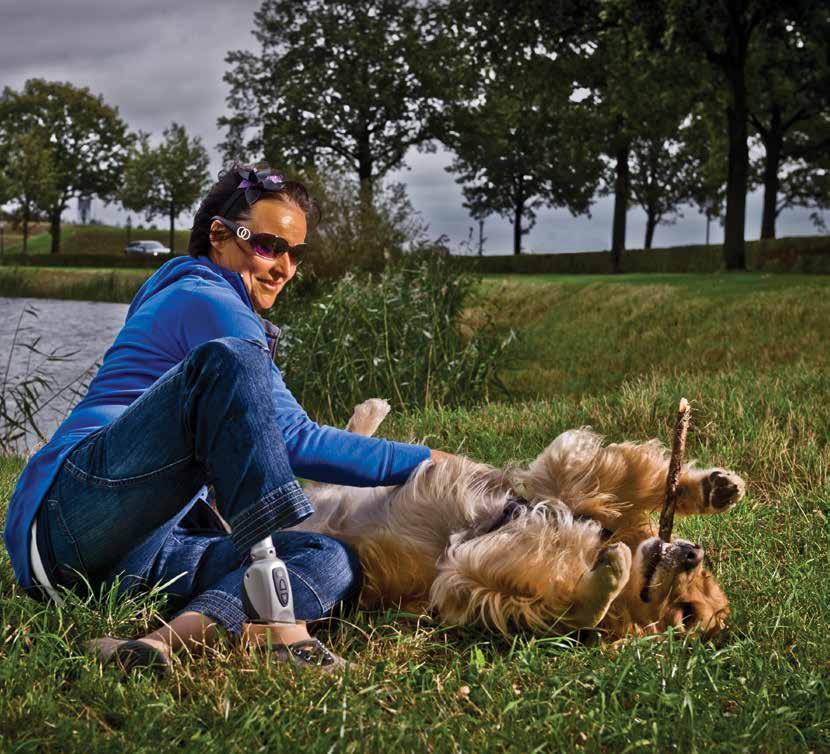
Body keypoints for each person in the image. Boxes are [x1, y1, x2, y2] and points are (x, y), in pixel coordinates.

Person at [3, 164, 451, 673]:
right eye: (268, 246)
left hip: (143, 553)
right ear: (220, 236)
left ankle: (167, 641)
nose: (284, 267)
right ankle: (279, 625)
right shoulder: (206, 297)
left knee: (332, 558)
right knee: (232, 360)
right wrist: (431, 461)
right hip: (70, 522)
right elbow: (295, 439)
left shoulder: (204, 300)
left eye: (295, 254)